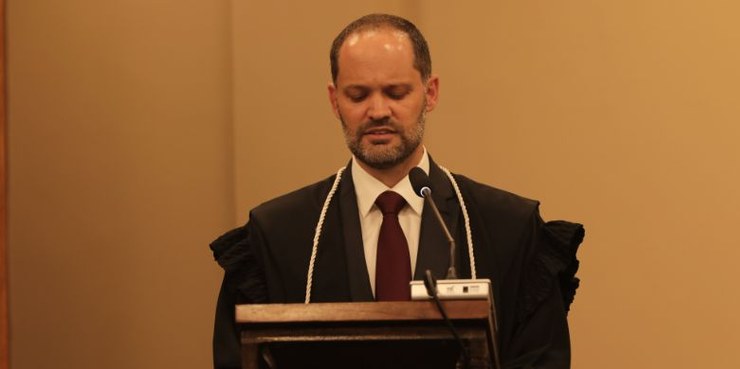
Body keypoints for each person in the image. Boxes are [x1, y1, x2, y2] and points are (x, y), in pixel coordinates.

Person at [210, 13, 584, 369]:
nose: (378, 111)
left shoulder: (508, 230)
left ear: (430, 93)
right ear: (334, 101)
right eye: (358, 95)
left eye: (396, 92)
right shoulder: (279, 236)